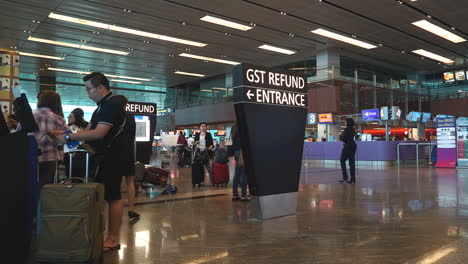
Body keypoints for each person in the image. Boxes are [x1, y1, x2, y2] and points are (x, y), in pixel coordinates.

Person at [57, 72, 126, 252]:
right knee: (104, 195)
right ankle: (101, 234)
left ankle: (112, 239)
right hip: (101, 157)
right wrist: (68, 135)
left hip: (111, 157)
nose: (87, 93)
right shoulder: (101, 106)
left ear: (101, 87)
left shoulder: (112, 104)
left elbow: (99, 133)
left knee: (113, 196)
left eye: (89, 89)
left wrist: (71, 136)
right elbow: (88, 130)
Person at [25, 91, 69, 188]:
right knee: (45, 188)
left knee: (29, 186)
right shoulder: (59, 119)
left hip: (29, 156)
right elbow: (67, 137)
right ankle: (42, 203)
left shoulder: (29, 115)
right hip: (50, 158)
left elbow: (19, 134)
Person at [114, 95, 140, 221]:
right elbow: (132, 136)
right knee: (130, 182)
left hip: (114, 151)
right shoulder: (130, 117)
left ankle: (114, 209)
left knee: (115, 181)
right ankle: (131, 210)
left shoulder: (112, 115)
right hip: (127, 151)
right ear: (126, 104)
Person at [231, 122, 249, 201]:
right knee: (243, 174)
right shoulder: (241, 128)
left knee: (237, 175)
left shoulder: (234, 128)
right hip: (242, 152)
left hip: (236, 152)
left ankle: (235, 195)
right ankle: (243, 196)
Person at [339, 118, 357, 184]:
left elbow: (344, 139)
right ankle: (353, 179)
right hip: (353, 145)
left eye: (345, 122)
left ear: (348, 122)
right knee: (352, 163)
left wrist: (340, 135)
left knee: (342, 160)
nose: (345, 123)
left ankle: (345, 177)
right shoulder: (353, 129)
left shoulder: (346, 129)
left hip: (347, 146)